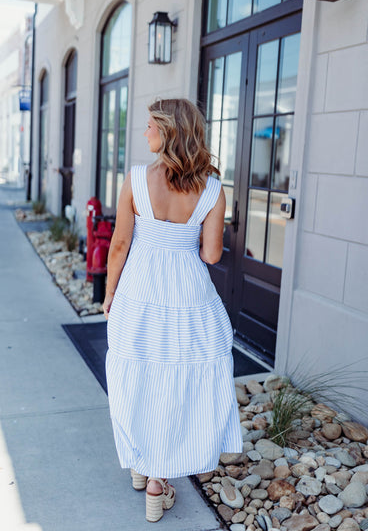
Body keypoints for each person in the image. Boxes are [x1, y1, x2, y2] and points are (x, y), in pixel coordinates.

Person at [103, 98, 243, 523]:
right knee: (177, 382)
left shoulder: (135, 179)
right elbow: (213, 255)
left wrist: (109, 295)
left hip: (139, 292)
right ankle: (159, 480)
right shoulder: (215, 189)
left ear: (167, 131)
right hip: (189, 297)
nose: (144, 132)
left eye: (149, 126)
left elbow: (120, 246)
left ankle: (143, 466)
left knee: (140, 375)